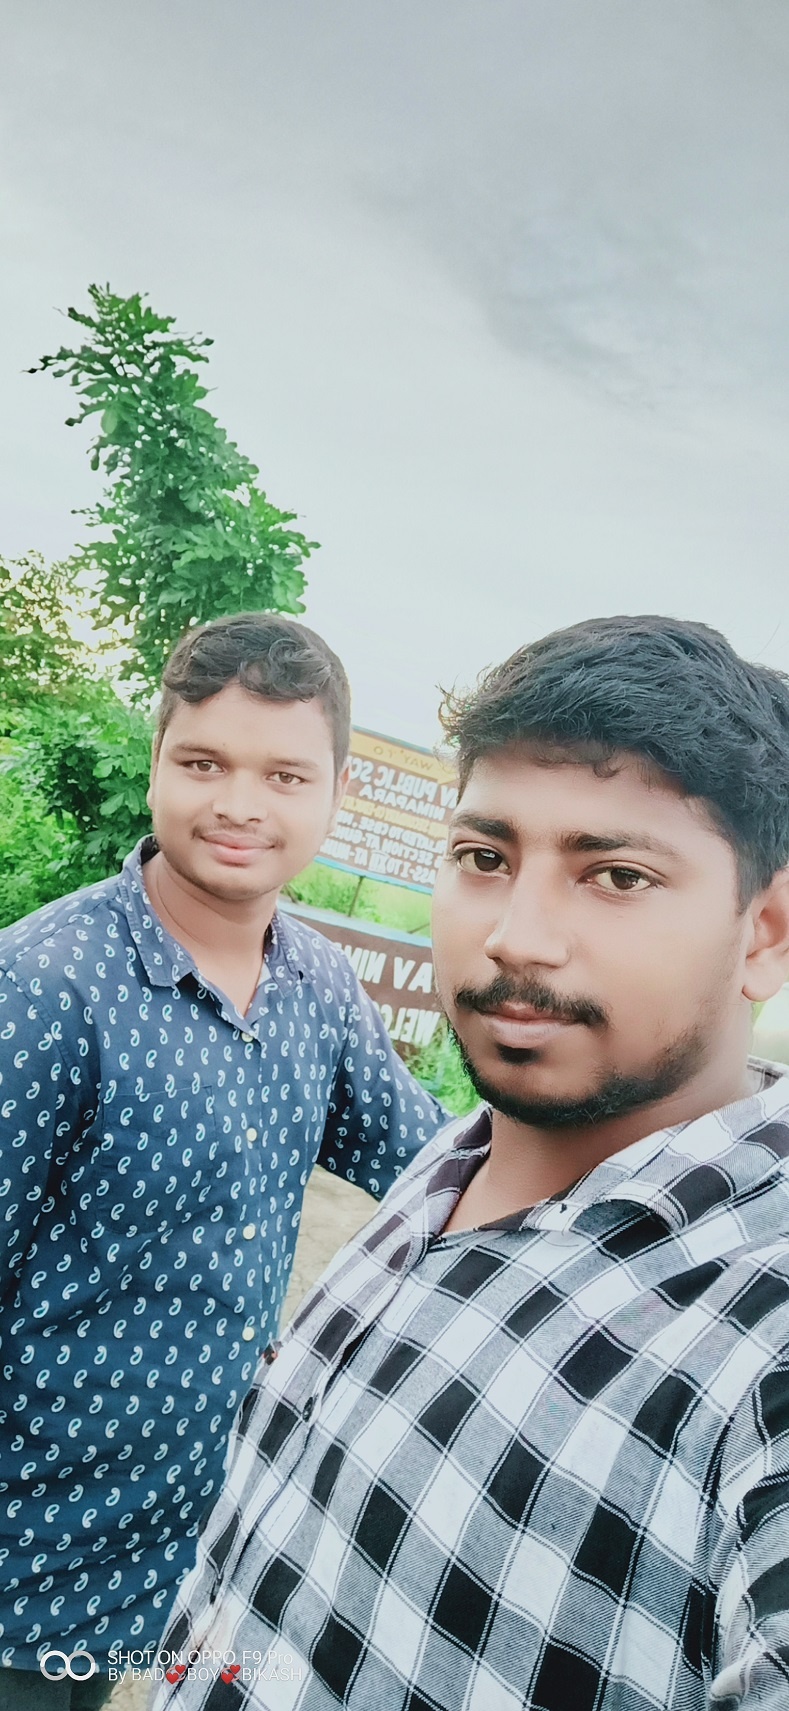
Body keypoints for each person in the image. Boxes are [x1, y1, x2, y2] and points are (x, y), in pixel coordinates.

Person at [154, 614, 789, 1711]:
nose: (516, 937)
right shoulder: (454, 1159)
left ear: (766, 931)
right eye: (485, 858)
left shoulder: (752, 1337)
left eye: (617, 875)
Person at [0, 612, 445, 1708]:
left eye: (284, 774)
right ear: (157, 761)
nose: (241, 803)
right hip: (23, 1544)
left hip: (184, 1539)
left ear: (336, 792)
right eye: (204, 763)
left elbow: (432, 1161)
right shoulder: (47, 987)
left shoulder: (318, 985)